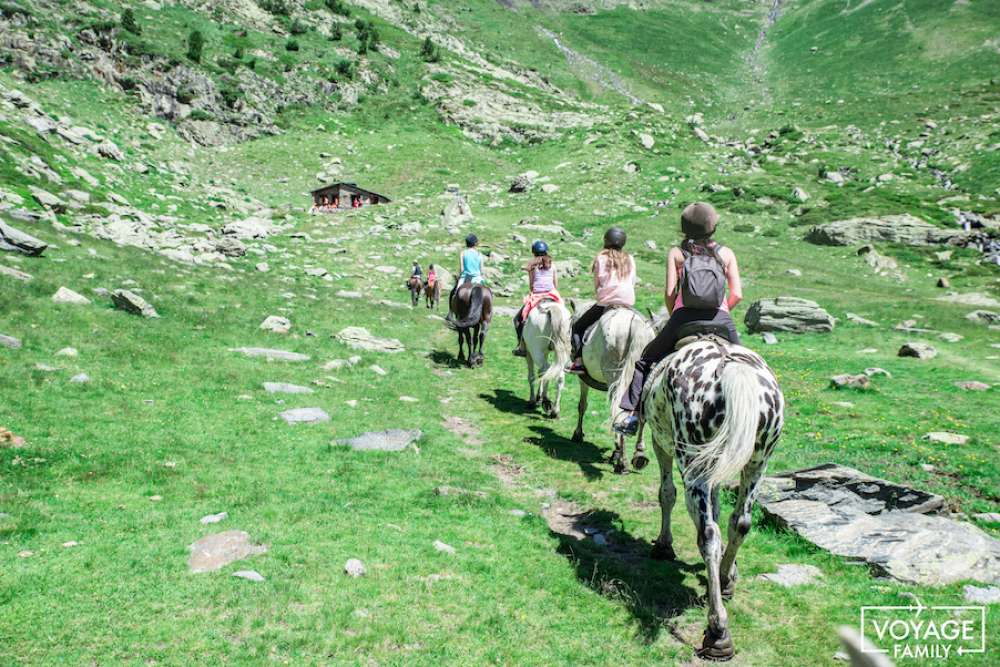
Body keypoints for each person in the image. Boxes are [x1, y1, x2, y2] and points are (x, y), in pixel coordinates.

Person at [614, 202, 743, 436]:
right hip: (721, 319)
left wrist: (677, 312)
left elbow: (670, 293)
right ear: (713, 226)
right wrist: (723, 310)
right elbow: (737, 294)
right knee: (745, 364)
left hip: (683, 319)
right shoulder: (726, 253)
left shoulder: (677, 253)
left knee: (645, 360)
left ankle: (631, 415)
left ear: (684, 228)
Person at [566, 227, 636, 374]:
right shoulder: (630, 258)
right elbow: (632, 281)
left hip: (606, 303)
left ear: (606, 240)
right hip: (627, 303)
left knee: (577, 327)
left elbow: (597, 283)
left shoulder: (601, 257)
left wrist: (601, 293)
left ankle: (578, 362)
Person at [512, 240, 561, 356]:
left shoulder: (532, 266)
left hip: (537, 295)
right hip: (551, 294)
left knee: (518, 319)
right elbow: (556, 284)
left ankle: (521, 345)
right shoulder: (552, 265)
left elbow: (531, 285)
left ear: (533, 253)